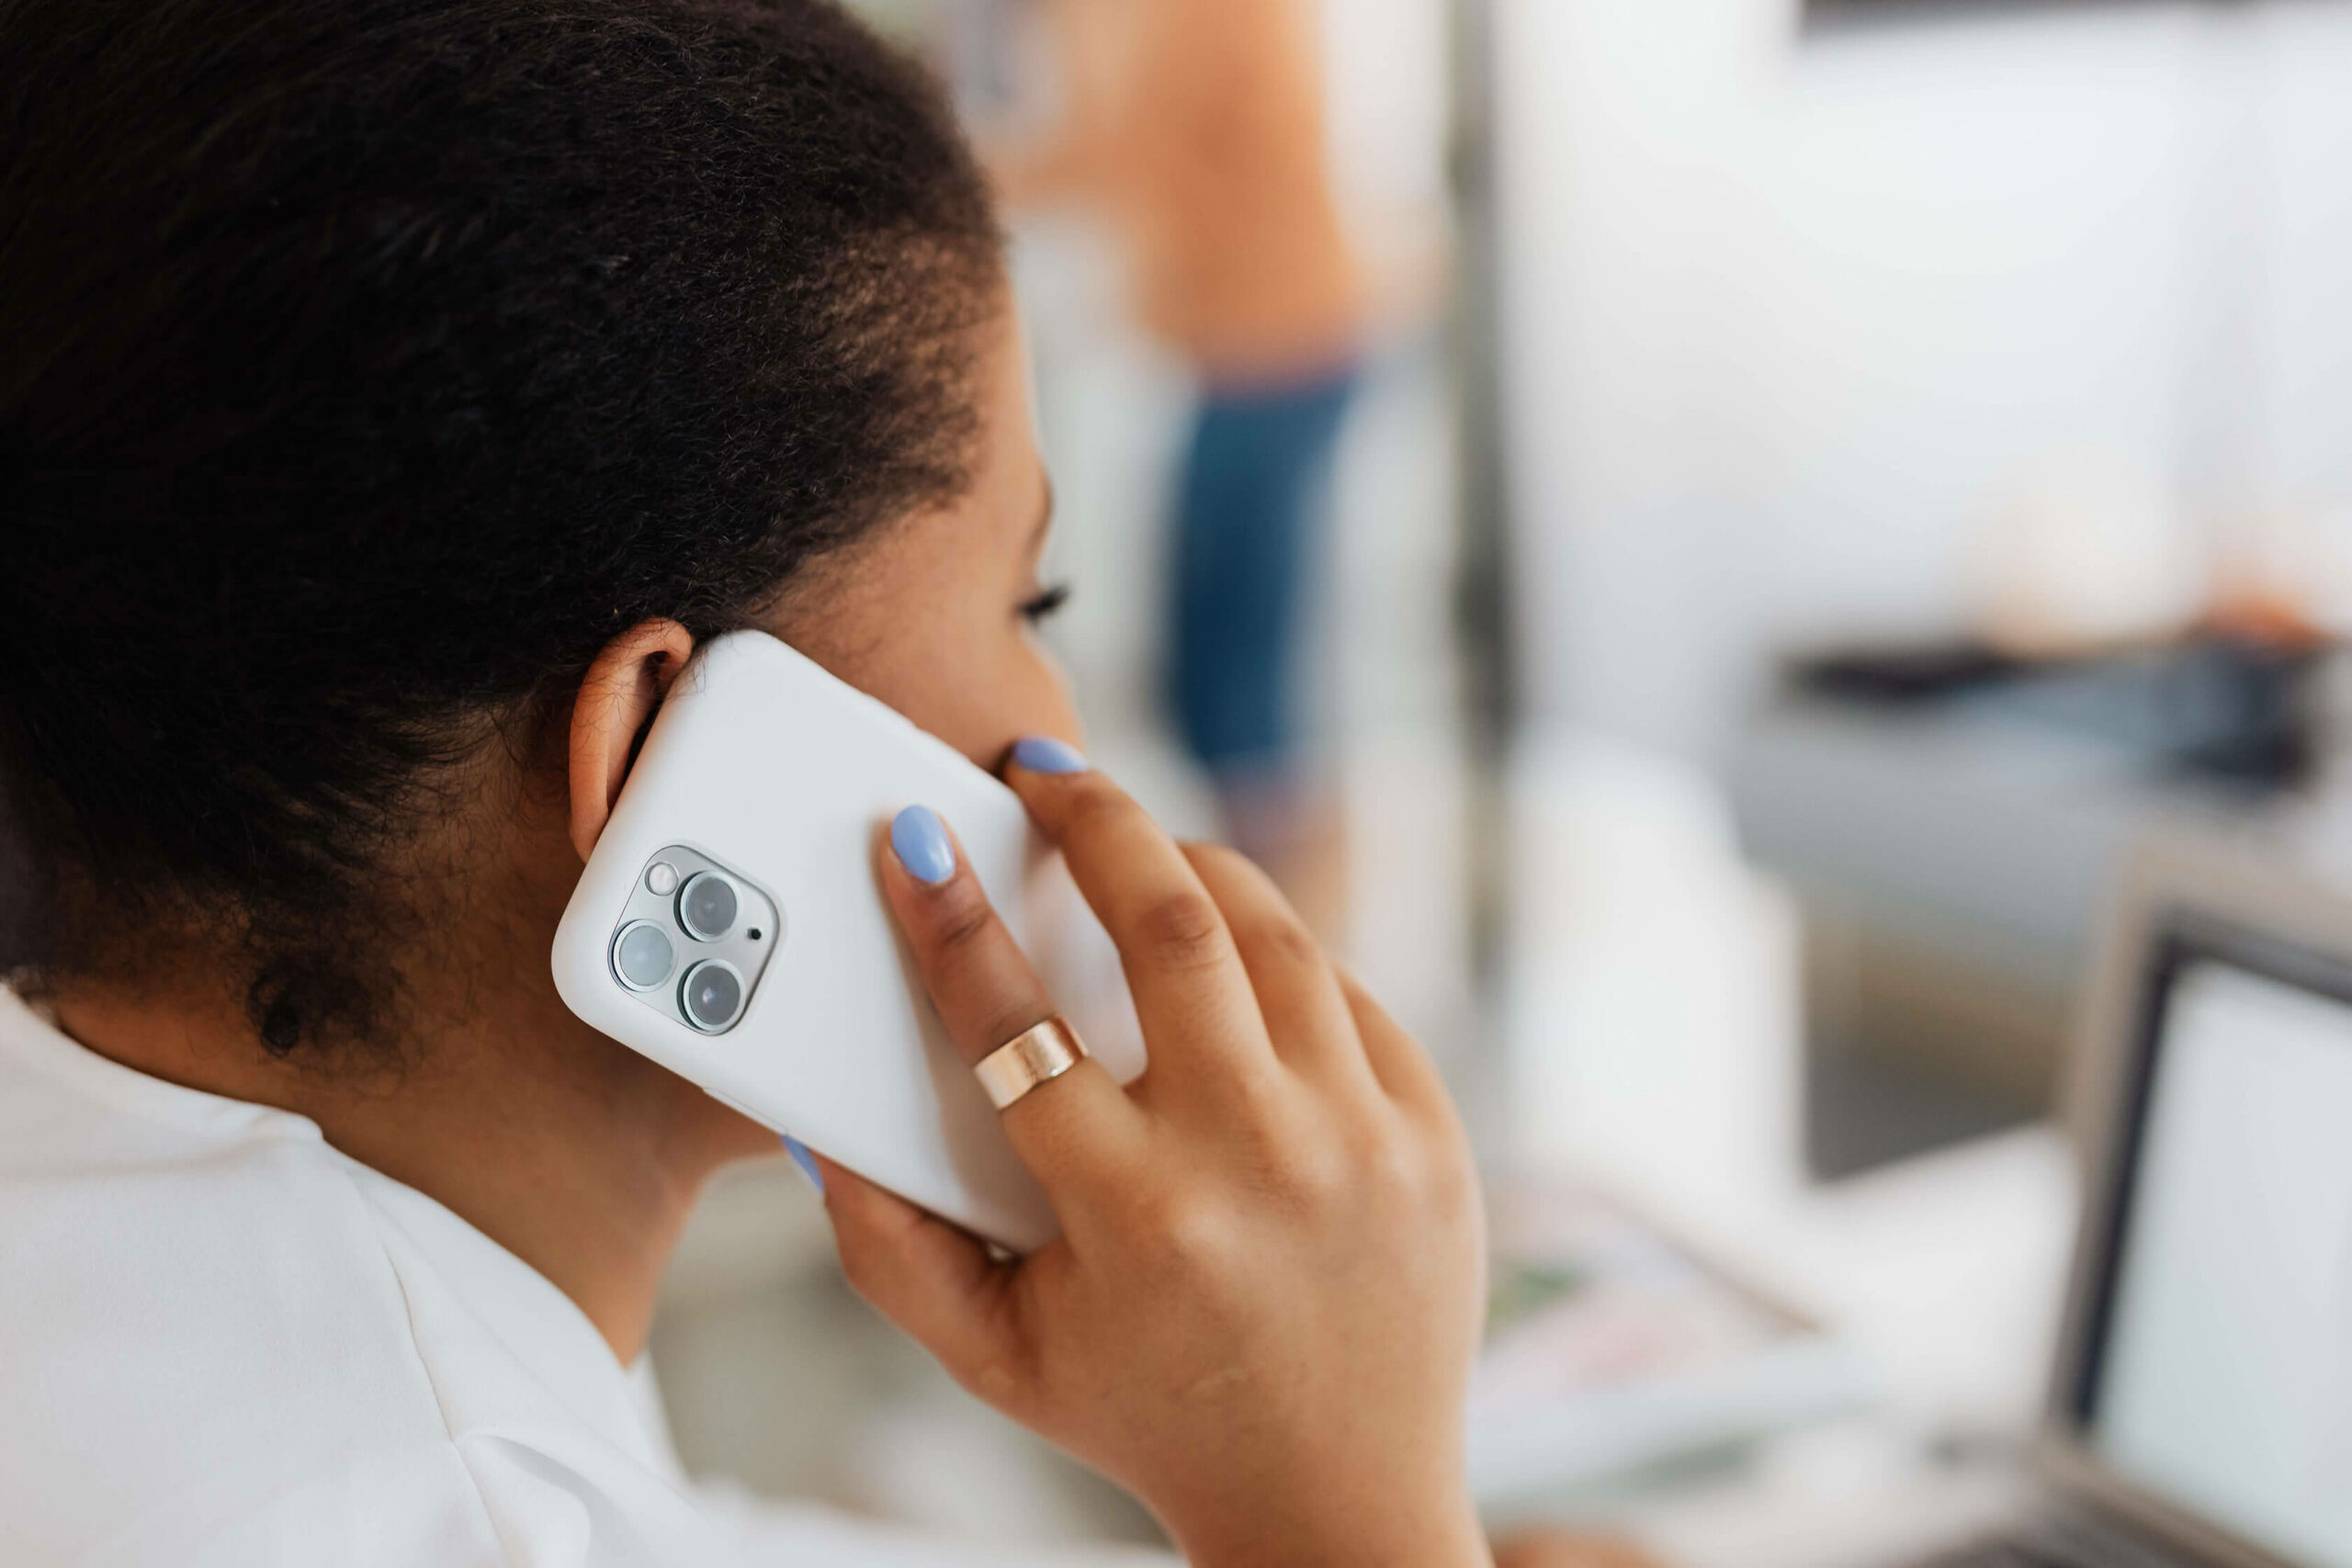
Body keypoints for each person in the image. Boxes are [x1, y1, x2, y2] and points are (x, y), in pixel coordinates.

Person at [0, 2, 1642, 1563]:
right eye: (1028, 602)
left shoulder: (209, 1196)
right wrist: (1346, 1525)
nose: (1058, 707)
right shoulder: (433, 1511)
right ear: (655, 755)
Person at [987, 0, 1372, 940]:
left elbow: (1119, 149)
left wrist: (928, 163)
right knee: (1222, 676)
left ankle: (1295, 952)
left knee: (1236, 685)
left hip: (1283, 345)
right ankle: (1280, 936)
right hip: (1241, 351)